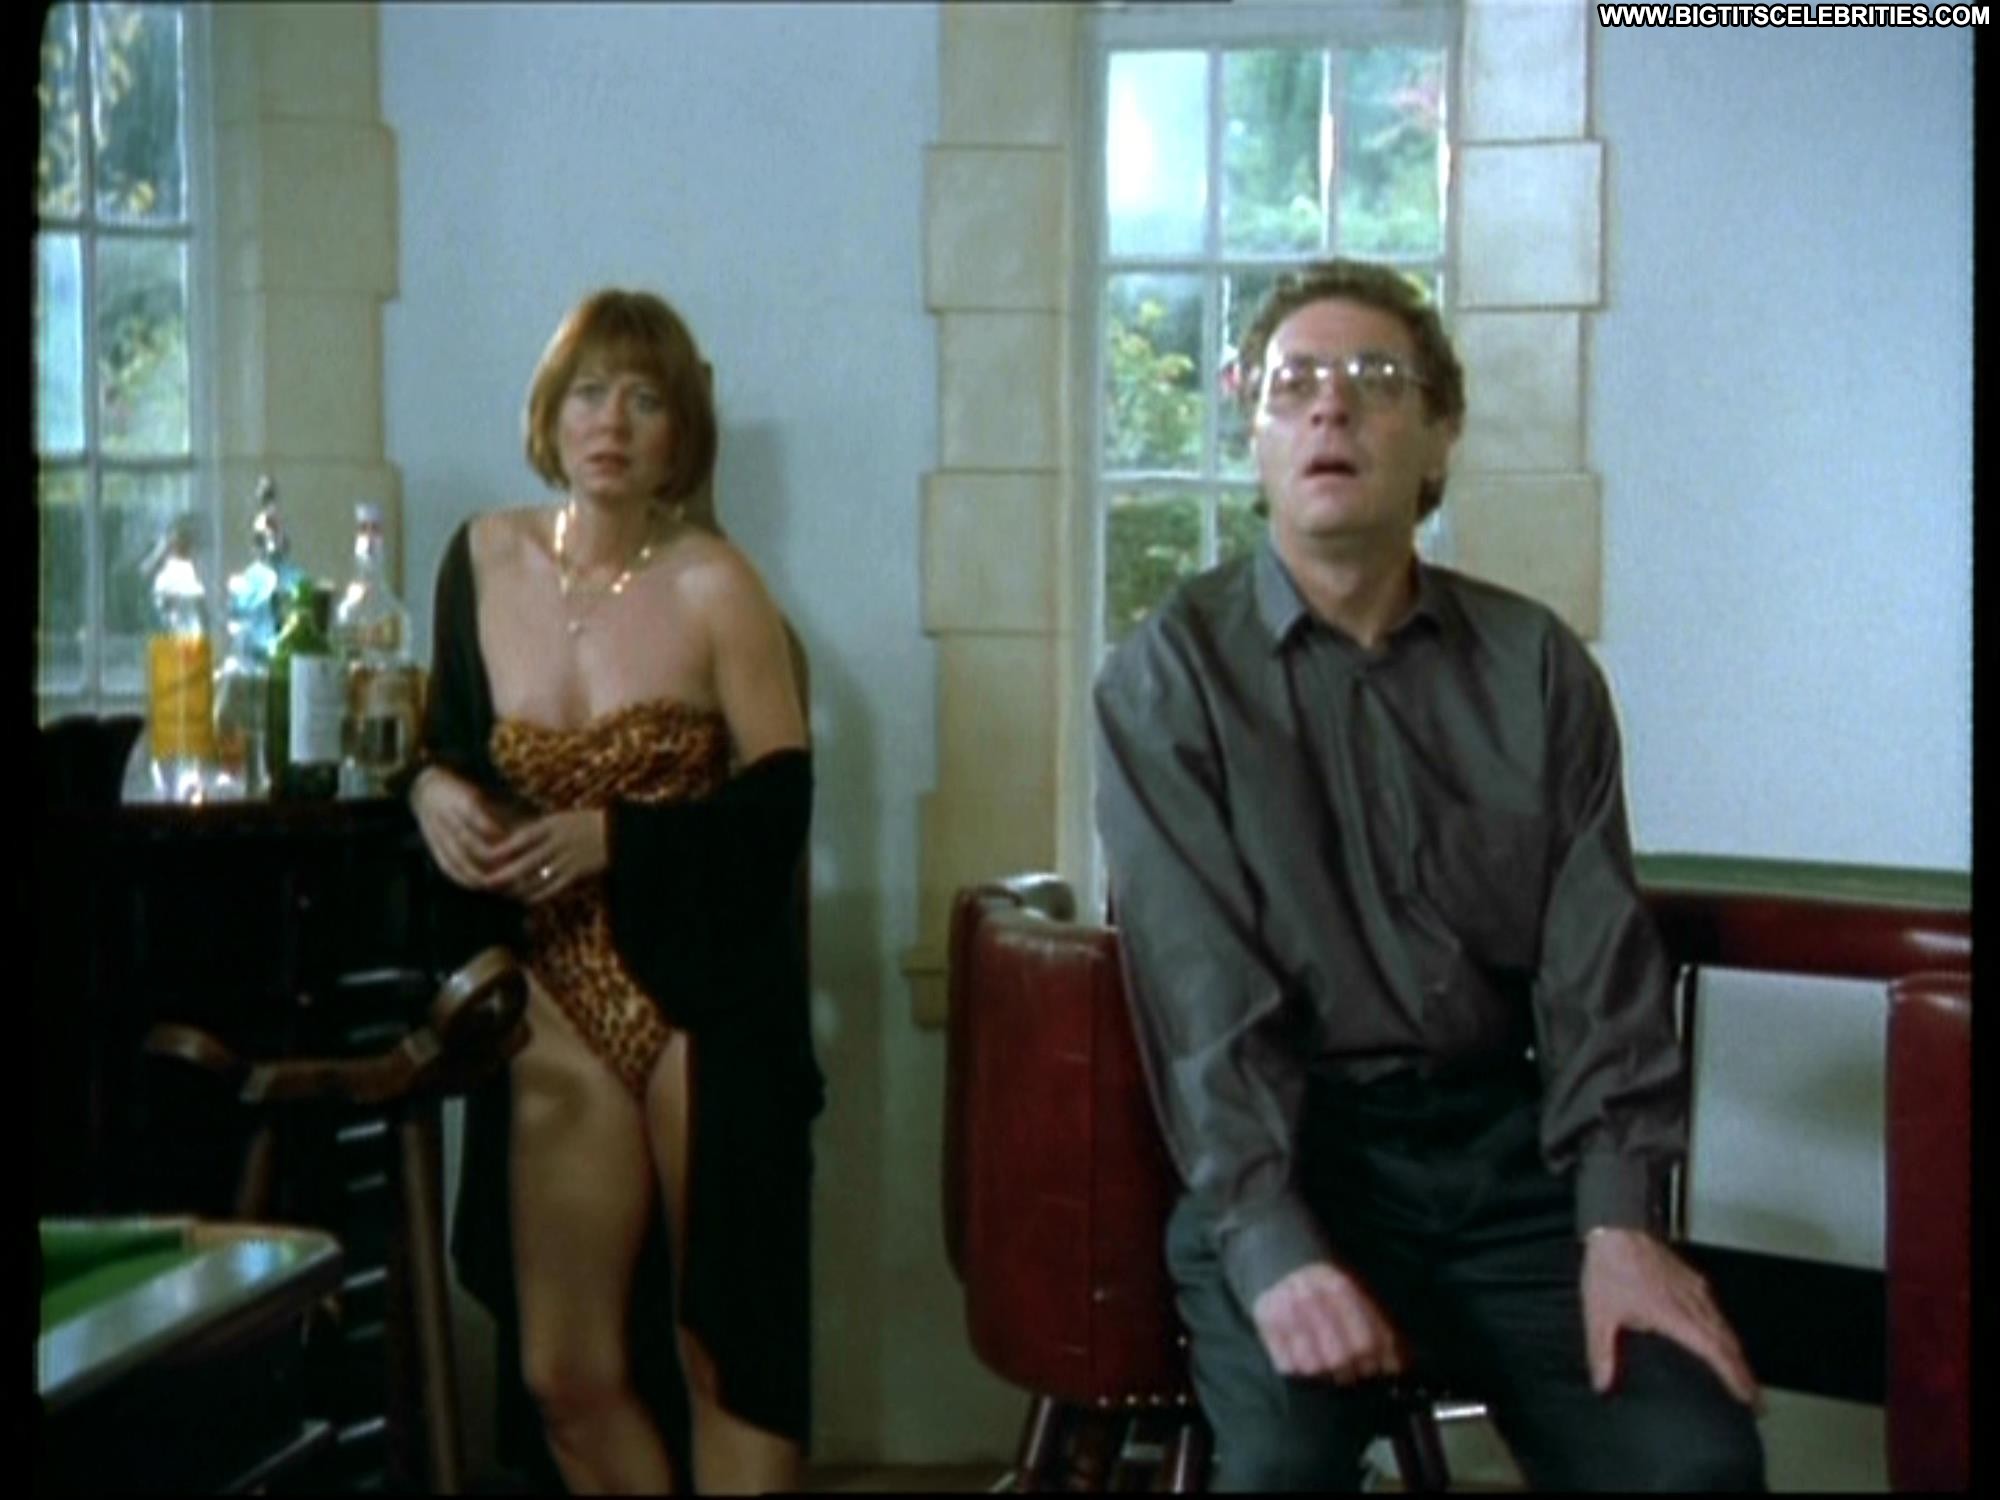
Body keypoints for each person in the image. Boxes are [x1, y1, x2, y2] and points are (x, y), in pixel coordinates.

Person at [1092, 260, 1766, 1492]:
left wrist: (1617, 1220)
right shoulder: (1168, 676)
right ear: (1253, 432)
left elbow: (1598, 970)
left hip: (1509, 1162)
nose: (1328, 406)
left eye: (1374, 379)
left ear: (1439, 432)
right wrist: (1269, 1241)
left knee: (1691, 1462)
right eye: (1293, 381)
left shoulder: (1534, 667)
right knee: (1279, 1471)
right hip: (1297, 1156)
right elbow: (1199, 995)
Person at [409, 288, 822, 1494]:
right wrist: (425, 787)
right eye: (589, 393)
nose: (612, 422)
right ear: (549, 415)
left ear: (680, 434)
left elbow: (779, 809)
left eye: (645, 400)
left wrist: (617, 840)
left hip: (700, 991)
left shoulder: (716, 585)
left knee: (722, 1348)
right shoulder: (481, 558)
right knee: (563, 1372)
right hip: (552, 993)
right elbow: (446, 744)